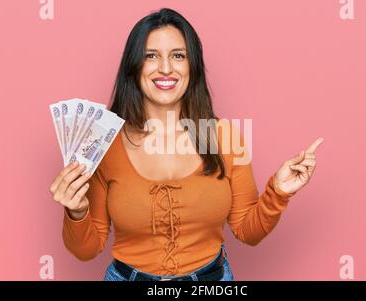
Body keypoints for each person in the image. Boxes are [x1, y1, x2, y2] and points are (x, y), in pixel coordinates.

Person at [49, 8, 323, 281]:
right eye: (151, 56)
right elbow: (86, 250)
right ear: (134, 66)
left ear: (193, 66)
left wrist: (278, 193)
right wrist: (76, 211)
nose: (166, 68)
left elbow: (247, 232)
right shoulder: (102, 143)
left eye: (178, 55)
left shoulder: (225, 137)